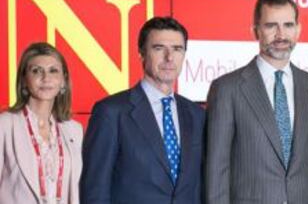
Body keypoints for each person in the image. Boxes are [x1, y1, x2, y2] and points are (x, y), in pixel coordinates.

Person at [206, 0, 308, 204]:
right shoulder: (227, 89)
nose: (281, 35)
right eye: (271, 26)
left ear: (298, 29)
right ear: (255, 31)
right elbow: (217, 169)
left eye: (288, 25)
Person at [80, 17, 205, 204]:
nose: (169, 57)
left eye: (177, 49)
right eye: (159, 48)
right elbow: (95, 190)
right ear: (141, 53)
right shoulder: (111, 112)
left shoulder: (197, 115)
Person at [0, 42, 84, 204]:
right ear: (24, 80)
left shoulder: (75, 130)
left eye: (53, 71)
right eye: (36, 71)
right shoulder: (5, 124)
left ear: (63, 82)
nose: (46, 78)